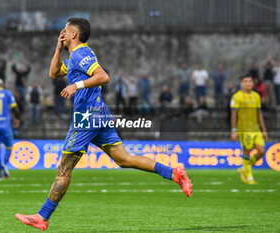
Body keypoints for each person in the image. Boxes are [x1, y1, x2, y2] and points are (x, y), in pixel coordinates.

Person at [15, 18, 192, 231]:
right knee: (124, 159)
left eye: (66, 29)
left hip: (86, 116)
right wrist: (57, 47)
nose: (63, 31)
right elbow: (53, 73)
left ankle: (42, 216)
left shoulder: (81, 54)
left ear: (74, 35)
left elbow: (103, 76)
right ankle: (173, 173)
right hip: (99, 113)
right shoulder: (74, 57)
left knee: (63, 169)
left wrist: (75, 85)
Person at [230, 74, 268, 185]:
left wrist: (264, 130)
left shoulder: (256, 96)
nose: (248, 83)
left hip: (256, 129)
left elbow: (259, 113)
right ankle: (249, 177)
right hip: (244, 129)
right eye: (246, 81)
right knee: (247, 152)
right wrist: (233, 130)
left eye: (250, 81)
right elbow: (233, 114)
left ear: (253, 83)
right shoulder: (237, 96)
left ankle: (244, 168)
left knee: (261, 151)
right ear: (242, 83)